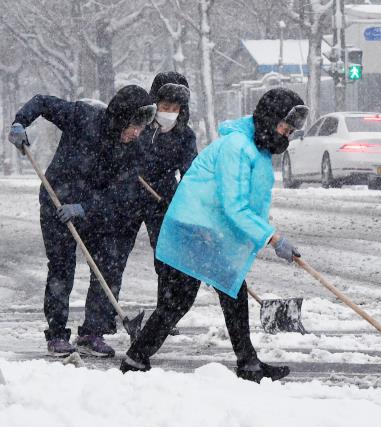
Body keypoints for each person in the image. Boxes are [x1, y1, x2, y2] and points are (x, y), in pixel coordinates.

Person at [121, 88, 309, 383]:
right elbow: (235, 205)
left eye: (290, 130)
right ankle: (136, 360)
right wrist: (272, 238)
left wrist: (263, 231)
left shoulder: (256, 149)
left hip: (207, 229)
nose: (286, 134)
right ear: (269, 119)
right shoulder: (237, 146)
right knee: (181, 301)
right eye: (284, 127)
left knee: (228, 292)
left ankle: (247, 364)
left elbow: (250, 201)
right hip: (193, 228)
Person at [8, 86, 156, 357]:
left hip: (92, 210)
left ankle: (92, 333)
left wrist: (84, 208)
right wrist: (20, 121)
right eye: (134, 124)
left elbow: (120, 194)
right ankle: (56, 334)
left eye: (142, 127)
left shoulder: (134, 149)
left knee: (107, 265)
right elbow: (42, 101)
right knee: (61, 268)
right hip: (56, 200)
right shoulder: (83, 116)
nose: (137, 132)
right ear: (121, 116)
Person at [76, 72, 197, 349]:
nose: (169, 113)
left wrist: (183, 200)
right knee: (110, 260)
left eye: (175, 108)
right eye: (164, 106)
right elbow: (114, 155)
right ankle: (94, 328)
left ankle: (163, 318)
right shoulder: (137, 125)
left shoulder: (184, 136)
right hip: (125, 198)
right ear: (154, 103)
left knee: (167, 261)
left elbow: (191, 173)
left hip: (162, 202)